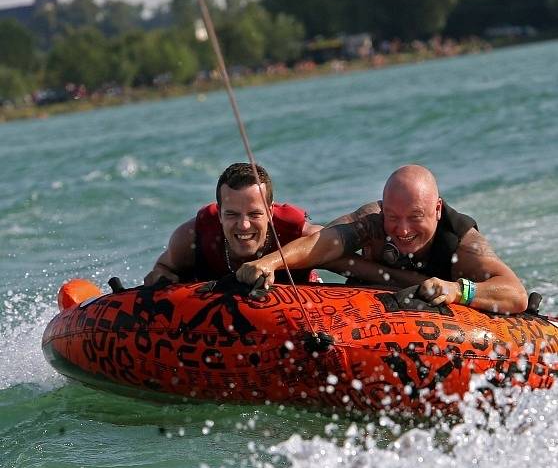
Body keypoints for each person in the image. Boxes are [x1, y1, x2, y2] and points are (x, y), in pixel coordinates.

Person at [236, 164, 528, 314]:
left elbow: (516, 295)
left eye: (415, 217)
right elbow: (322, 242)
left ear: (437, 209)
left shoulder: (462, 242)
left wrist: (456, 291)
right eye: (393, 216)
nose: (401, 229)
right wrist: (270, 262)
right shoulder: (372, 221)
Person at [144, 162, 322, 285]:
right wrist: (161, 280)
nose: (244, 225)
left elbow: (339, 248)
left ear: (270, 212)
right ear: (220, 215)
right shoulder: (192, 238)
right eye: (232, 214)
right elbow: (163, 268)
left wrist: (272, 262)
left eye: (254, 214)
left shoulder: (298, 235)